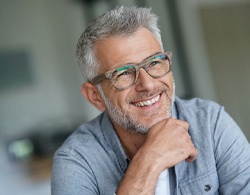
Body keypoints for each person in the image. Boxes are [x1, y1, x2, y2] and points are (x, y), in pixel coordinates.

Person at [51, 6, 250, 195]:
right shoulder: (76, 160)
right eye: (124, 73)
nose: (147, 84)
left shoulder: (210, 123)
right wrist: (150, 159)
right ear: (95, 96)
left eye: (154, 62)